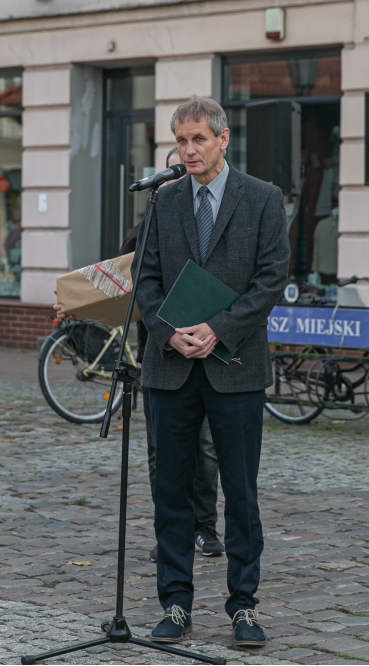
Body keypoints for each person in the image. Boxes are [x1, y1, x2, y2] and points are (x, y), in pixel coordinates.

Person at [134, 96, 289, 648]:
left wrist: (219, 329)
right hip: (170, 367)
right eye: (180, 140)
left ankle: (243, 606)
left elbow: (271, 280)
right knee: (170, 492)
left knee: (240, 494)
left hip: (235, 366)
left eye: (198, 138)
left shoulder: (264, 199)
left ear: (223, 140)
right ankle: (175, 603)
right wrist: (167, 331)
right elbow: (144, 280)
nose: (188, 149)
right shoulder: (163, 201)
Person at [123, 150, 224, 564]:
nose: (176, 177)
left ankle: (204, 526)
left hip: (209, 350)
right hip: (161, 354)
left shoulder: (211, 220)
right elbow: (128, 270)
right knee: (161, 451)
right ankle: (171, 529)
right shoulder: (152, 219)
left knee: (204, 447)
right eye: (171, 171)